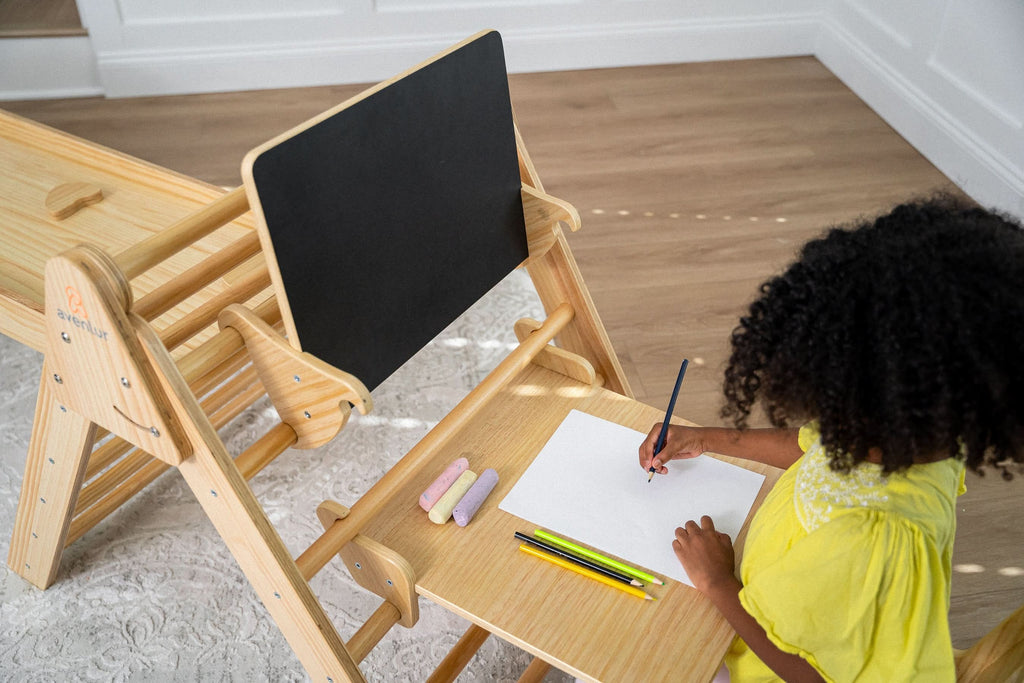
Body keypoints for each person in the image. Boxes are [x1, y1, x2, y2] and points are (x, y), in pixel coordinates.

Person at [639, 196, 1024, 682]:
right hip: (773, 601)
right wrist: (707, 438)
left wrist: (719, 583)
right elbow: (810, 446)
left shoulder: (874, 541)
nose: (825, 416)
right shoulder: (916, 434)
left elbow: (809, 674)